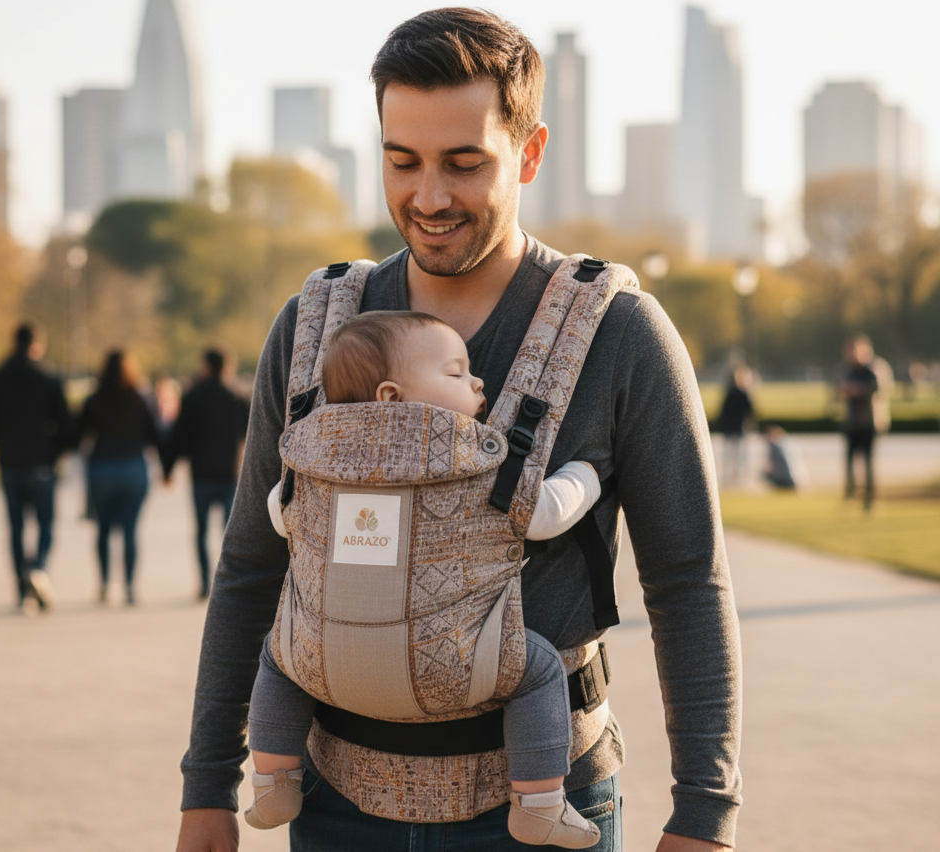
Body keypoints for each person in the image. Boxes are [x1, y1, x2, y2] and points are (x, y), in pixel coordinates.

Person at [176, 10, 741, 852]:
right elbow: (254, 568)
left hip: (543, 813)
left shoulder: (619, 333)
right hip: (335, 810)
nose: (429, 196)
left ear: (531, 152)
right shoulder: (312, 325)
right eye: (402, 162)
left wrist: (706, 814)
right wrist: (207, 787)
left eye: (465, 163)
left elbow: (689, 580)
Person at [246, 311, 603, 848]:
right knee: (539, 671)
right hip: (454, 664)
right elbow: (544, 512)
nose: (478, 381)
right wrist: (585, 476)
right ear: (391, 396)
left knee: (277, 657)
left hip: (323, 662)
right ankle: (539, 802)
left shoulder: (311, 467)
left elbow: (280, 513)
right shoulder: (478, 466)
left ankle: (273, 781)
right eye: (456, 373)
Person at [0, 322, 73, 612]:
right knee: (46, 523)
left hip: (10, 462)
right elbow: (66, 424)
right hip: (41, 462)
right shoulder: (49, 378)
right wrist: (55, 449)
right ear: (36, 345)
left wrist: (2, 439)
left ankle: (22, 589)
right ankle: (38, 567)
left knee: (16, 527)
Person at [161, 349, 250, 599]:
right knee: (230, 535)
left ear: (206, 367)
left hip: (201, 475)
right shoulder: (239, 396)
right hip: (231, 475)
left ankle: (203, 583)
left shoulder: (193, 396)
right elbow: (254, 437)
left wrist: (167, 469)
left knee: (200, 532)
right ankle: (229, 583)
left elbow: (179, 436)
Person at [76, 350, 161, 605]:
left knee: (102, 529)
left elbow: (77, 433)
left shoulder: (94, 400)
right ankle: (130, 587)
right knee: (130, 531)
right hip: (133, 467)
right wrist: (166, 468)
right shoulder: (139, 399)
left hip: (102, 468)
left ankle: (103, 585)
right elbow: (154, 436)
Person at [838, 335, 879, 511]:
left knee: (868, 462)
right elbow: (838, 389)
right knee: (849, 461)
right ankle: (851, 494)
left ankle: (869, 498)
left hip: (868, 423)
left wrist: (857, 390)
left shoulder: (871, 370)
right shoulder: (848, 371)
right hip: (852, 423)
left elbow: (876, 389)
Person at [717, 365, 755, 488]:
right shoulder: (743, 394)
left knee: (731, 454)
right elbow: (750, 411)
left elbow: (723, 411)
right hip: (737, 427)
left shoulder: (731, 393)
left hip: (731, 427)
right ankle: (737, 476)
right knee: (737, 454)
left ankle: (732, 476)